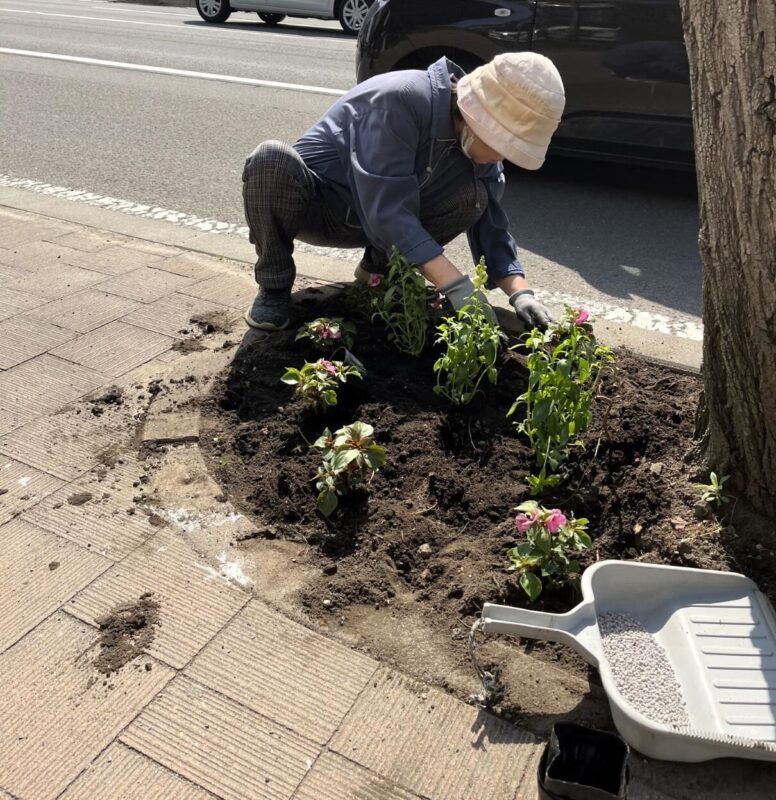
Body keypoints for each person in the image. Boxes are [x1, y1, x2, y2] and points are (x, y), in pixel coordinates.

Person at [241, 51, 565, 332]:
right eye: (502, 145)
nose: (501, 157)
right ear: (476, 117)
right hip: (322, 207)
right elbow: (387, 211)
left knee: (475, 197)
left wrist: (520, 292)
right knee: (269, 160)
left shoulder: (475, 148)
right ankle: (274, 286)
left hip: (380, 227)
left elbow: (492, 225)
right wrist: (456, 287)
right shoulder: (401, 99)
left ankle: (376, 276)